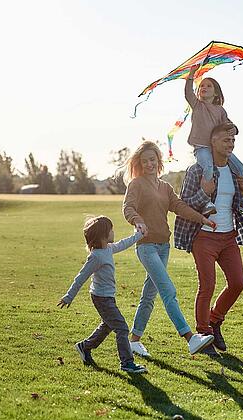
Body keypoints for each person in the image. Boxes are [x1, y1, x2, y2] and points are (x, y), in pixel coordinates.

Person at [122, 141, 217, 358]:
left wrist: (202, 218)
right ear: (139, 164)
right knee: (168, 291)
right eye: (145, 161)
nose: (149, 164)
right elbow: (128, 207)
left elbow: (180, 207)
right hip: (146, 247)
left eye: (152, 160)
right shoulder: (136, 185)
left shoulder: (165, 187)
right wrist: (137, 221)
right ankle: (190, 338)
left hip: (164, 247)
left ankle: (134, 340)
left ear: (158, 161)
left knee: (149, 295)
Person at [174, 123, 243, 356]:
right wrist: (204, 190)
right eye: (226, 140)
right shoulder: (196, 171)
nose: (230, 144)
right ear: (212, 142)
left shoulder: (235, 172)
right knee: (207, 286)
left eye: (233, 141)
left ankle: (215, 321)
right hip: (203, 238)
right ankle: (203, 335)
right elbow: (184, 204)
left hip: (228, 237)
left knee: (237, 282)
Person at [57, 216, 148, 374]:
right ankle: (127, 363)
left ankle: (84, 347)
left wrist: (138, 236)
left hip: (107, 297)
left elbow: (123, 244)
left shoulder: (108, 248)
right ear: (103, 235)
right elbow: (81, 277)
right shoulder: (96, 256)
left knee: (107, 326)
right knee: (122, 328)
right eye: (111, 230)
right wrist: (69, 296)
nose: (114, 232)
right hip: (101, 298)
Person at [185, 65, 243, 217]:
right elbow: (187, 93)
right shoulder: (197, 105)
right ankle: (206, 202)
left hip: (217, 148)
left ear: (216, 92)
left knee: (239, 167)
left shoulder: (220, 110)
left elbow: (229, 125)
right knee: (208, 169)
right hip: (202, 147)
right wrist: (191, 74)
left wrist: (234, 129)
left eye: (209, 86)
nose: (204, 87)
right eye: (202, 86)